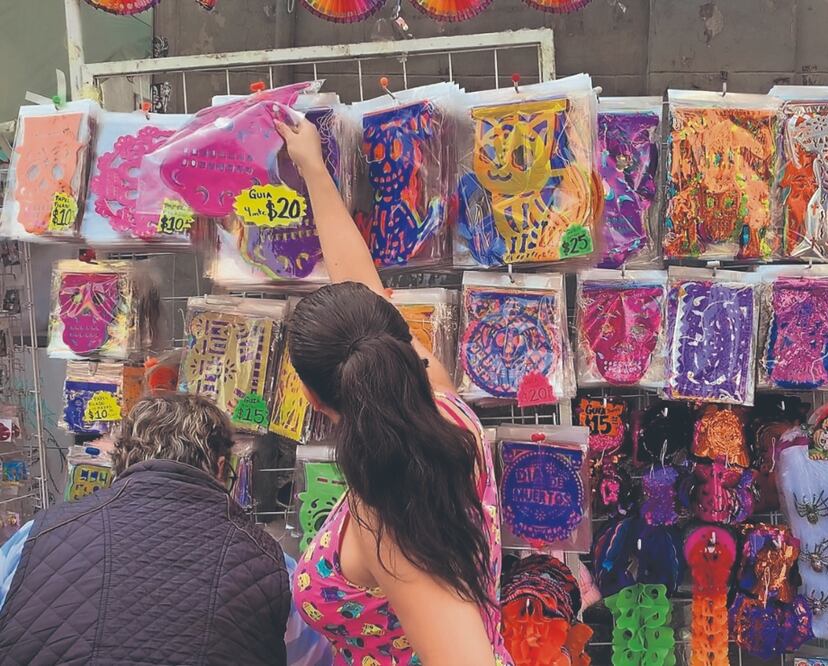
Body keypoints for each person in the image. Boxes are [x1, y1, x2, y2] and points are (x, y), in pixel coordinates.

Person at [276, 114, 512, 665]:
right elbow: (360, 290)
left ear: (314, 401)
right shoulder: (442, 411)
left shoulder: (393, 520)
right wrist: (313, 167)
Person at [0, 394, 330, 665]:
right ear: (218, 469)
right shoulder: (272, 565)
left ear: (120, 462)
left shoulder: (33, 539)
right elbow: (314, 654)